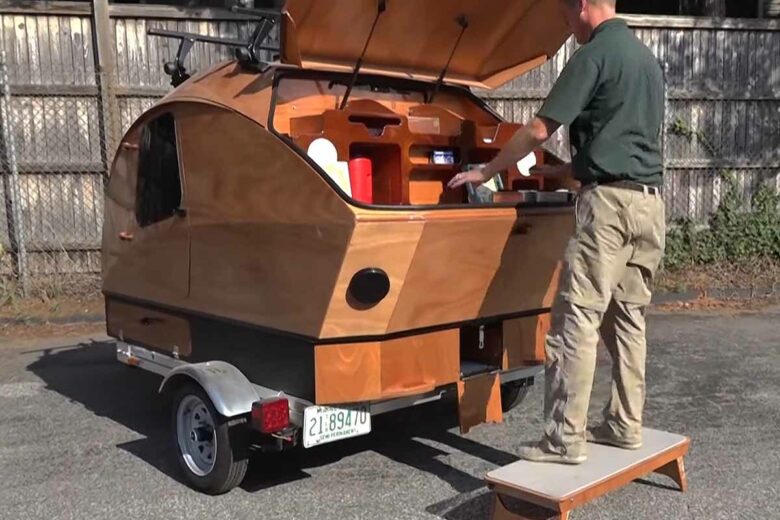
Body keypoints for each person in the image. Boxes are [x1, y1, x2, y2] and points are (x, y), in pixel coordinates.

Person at [448, 0, 666, 465]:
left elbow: (540, 127)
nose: (567, 26)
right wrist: (558, 174)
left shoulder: (594, 53)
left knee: (575, 321)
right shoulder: (646, 59)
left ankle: (563, 439)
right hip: (649, 206)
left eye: (567, 16)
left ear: (583, 5)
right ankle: (626, 425)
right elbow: (621, 147)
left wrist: (487, 170)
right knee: (627, 321)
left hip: (607, 209)